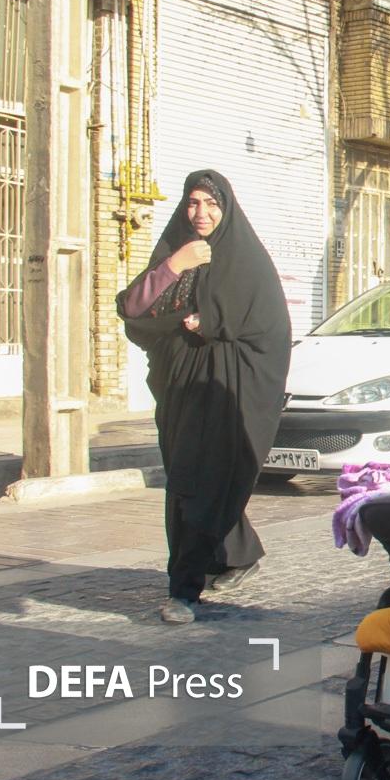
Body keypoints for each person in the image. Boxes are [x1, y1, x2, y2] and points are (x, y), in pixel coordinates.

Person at [118, 171, 291, 624]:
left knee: (199, 484)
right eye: (193, 203)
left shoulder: (247, 262)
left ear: (226, 208)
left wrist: (212, 322)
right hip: (180, 391)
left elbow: (270, 332)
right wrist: (177, 263)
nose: (201, 213)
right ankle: (238, 554)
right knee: (191, 482)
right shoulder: (175, 250)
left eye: (211, 204)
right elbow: (134, 309)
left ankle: (183, 590)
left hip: (225, 392)